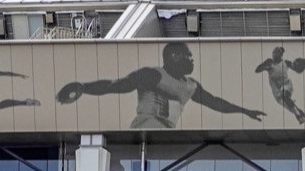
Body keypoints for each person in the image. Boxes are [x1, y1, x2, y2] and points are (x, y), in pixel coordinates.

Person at [56, 42, 264, 129]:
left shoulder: (191, 85)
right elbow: (116, 85)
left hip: (167, 131)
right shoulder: (153, 74)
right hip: (146, 126)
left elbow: (215, 103)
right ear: (174, 56)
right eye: (188, 56)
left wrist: (245, 111)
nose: (192, 61)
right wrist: (84, 86)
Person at [255, 46, 305, 126]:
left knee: (285, 95)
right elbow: (257, 70)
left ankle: (298, 116)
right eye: (275, 52)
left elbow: (297, 70)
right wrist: (265, 67)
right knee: (293, 107)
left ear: (281, 55)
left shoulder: (286, 63)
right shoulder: (269, 62)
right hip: (276, 92)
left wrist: (300, 64)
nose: (275, 54)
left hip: (287, 85)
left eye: (278, 53)